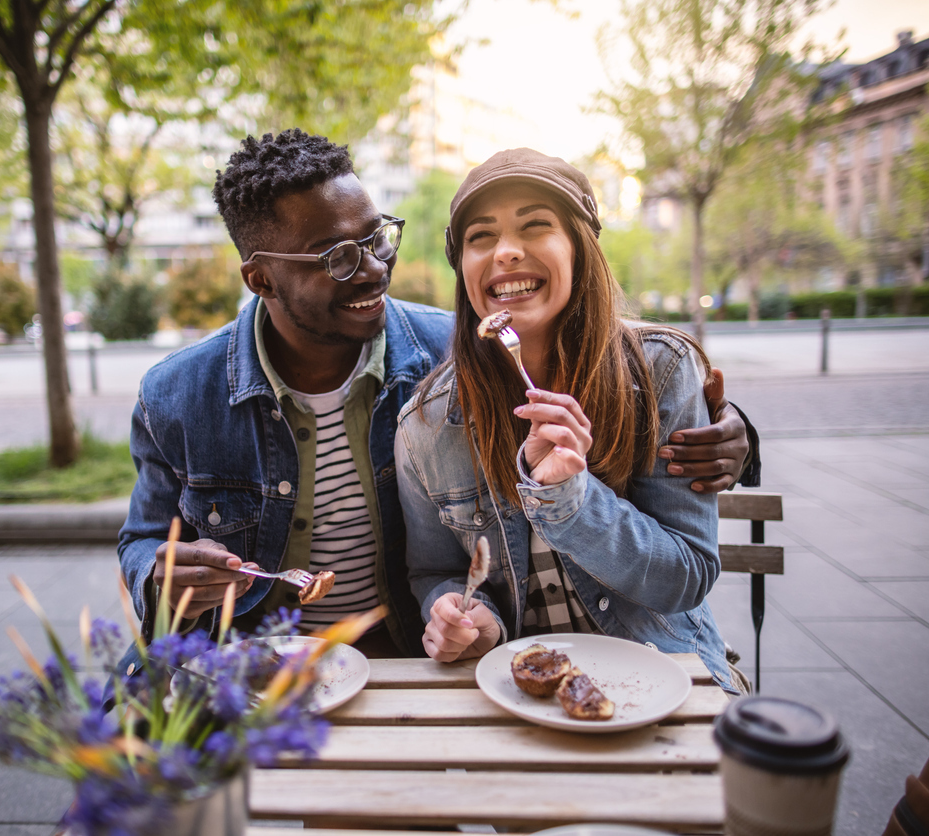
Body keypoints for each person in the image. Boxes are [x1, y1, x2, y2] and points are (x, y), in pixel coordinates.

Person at [117, 131, 755, 661]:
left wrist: (735, 437)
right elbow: (143, 538)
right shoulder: (178, 396)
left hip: (402, 658)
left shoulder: (443, 354)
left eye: (377, 239)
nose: (372, 269)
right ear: (261, 278)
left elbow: (604, 367)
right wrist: (159, 574)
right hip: (245, 664)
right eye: (337, 257)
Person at [395, 148, 742, 691]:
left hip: (662, 674)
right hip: (518, 690)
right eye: (480, 236)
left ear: (580, 248)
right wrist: (465, 618)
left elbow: (687, 576)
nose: (506, 251)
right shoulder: (426, 424)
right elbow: (433, 572)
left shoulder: (660, 372)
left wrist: (573, 501)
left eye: (536, 226)